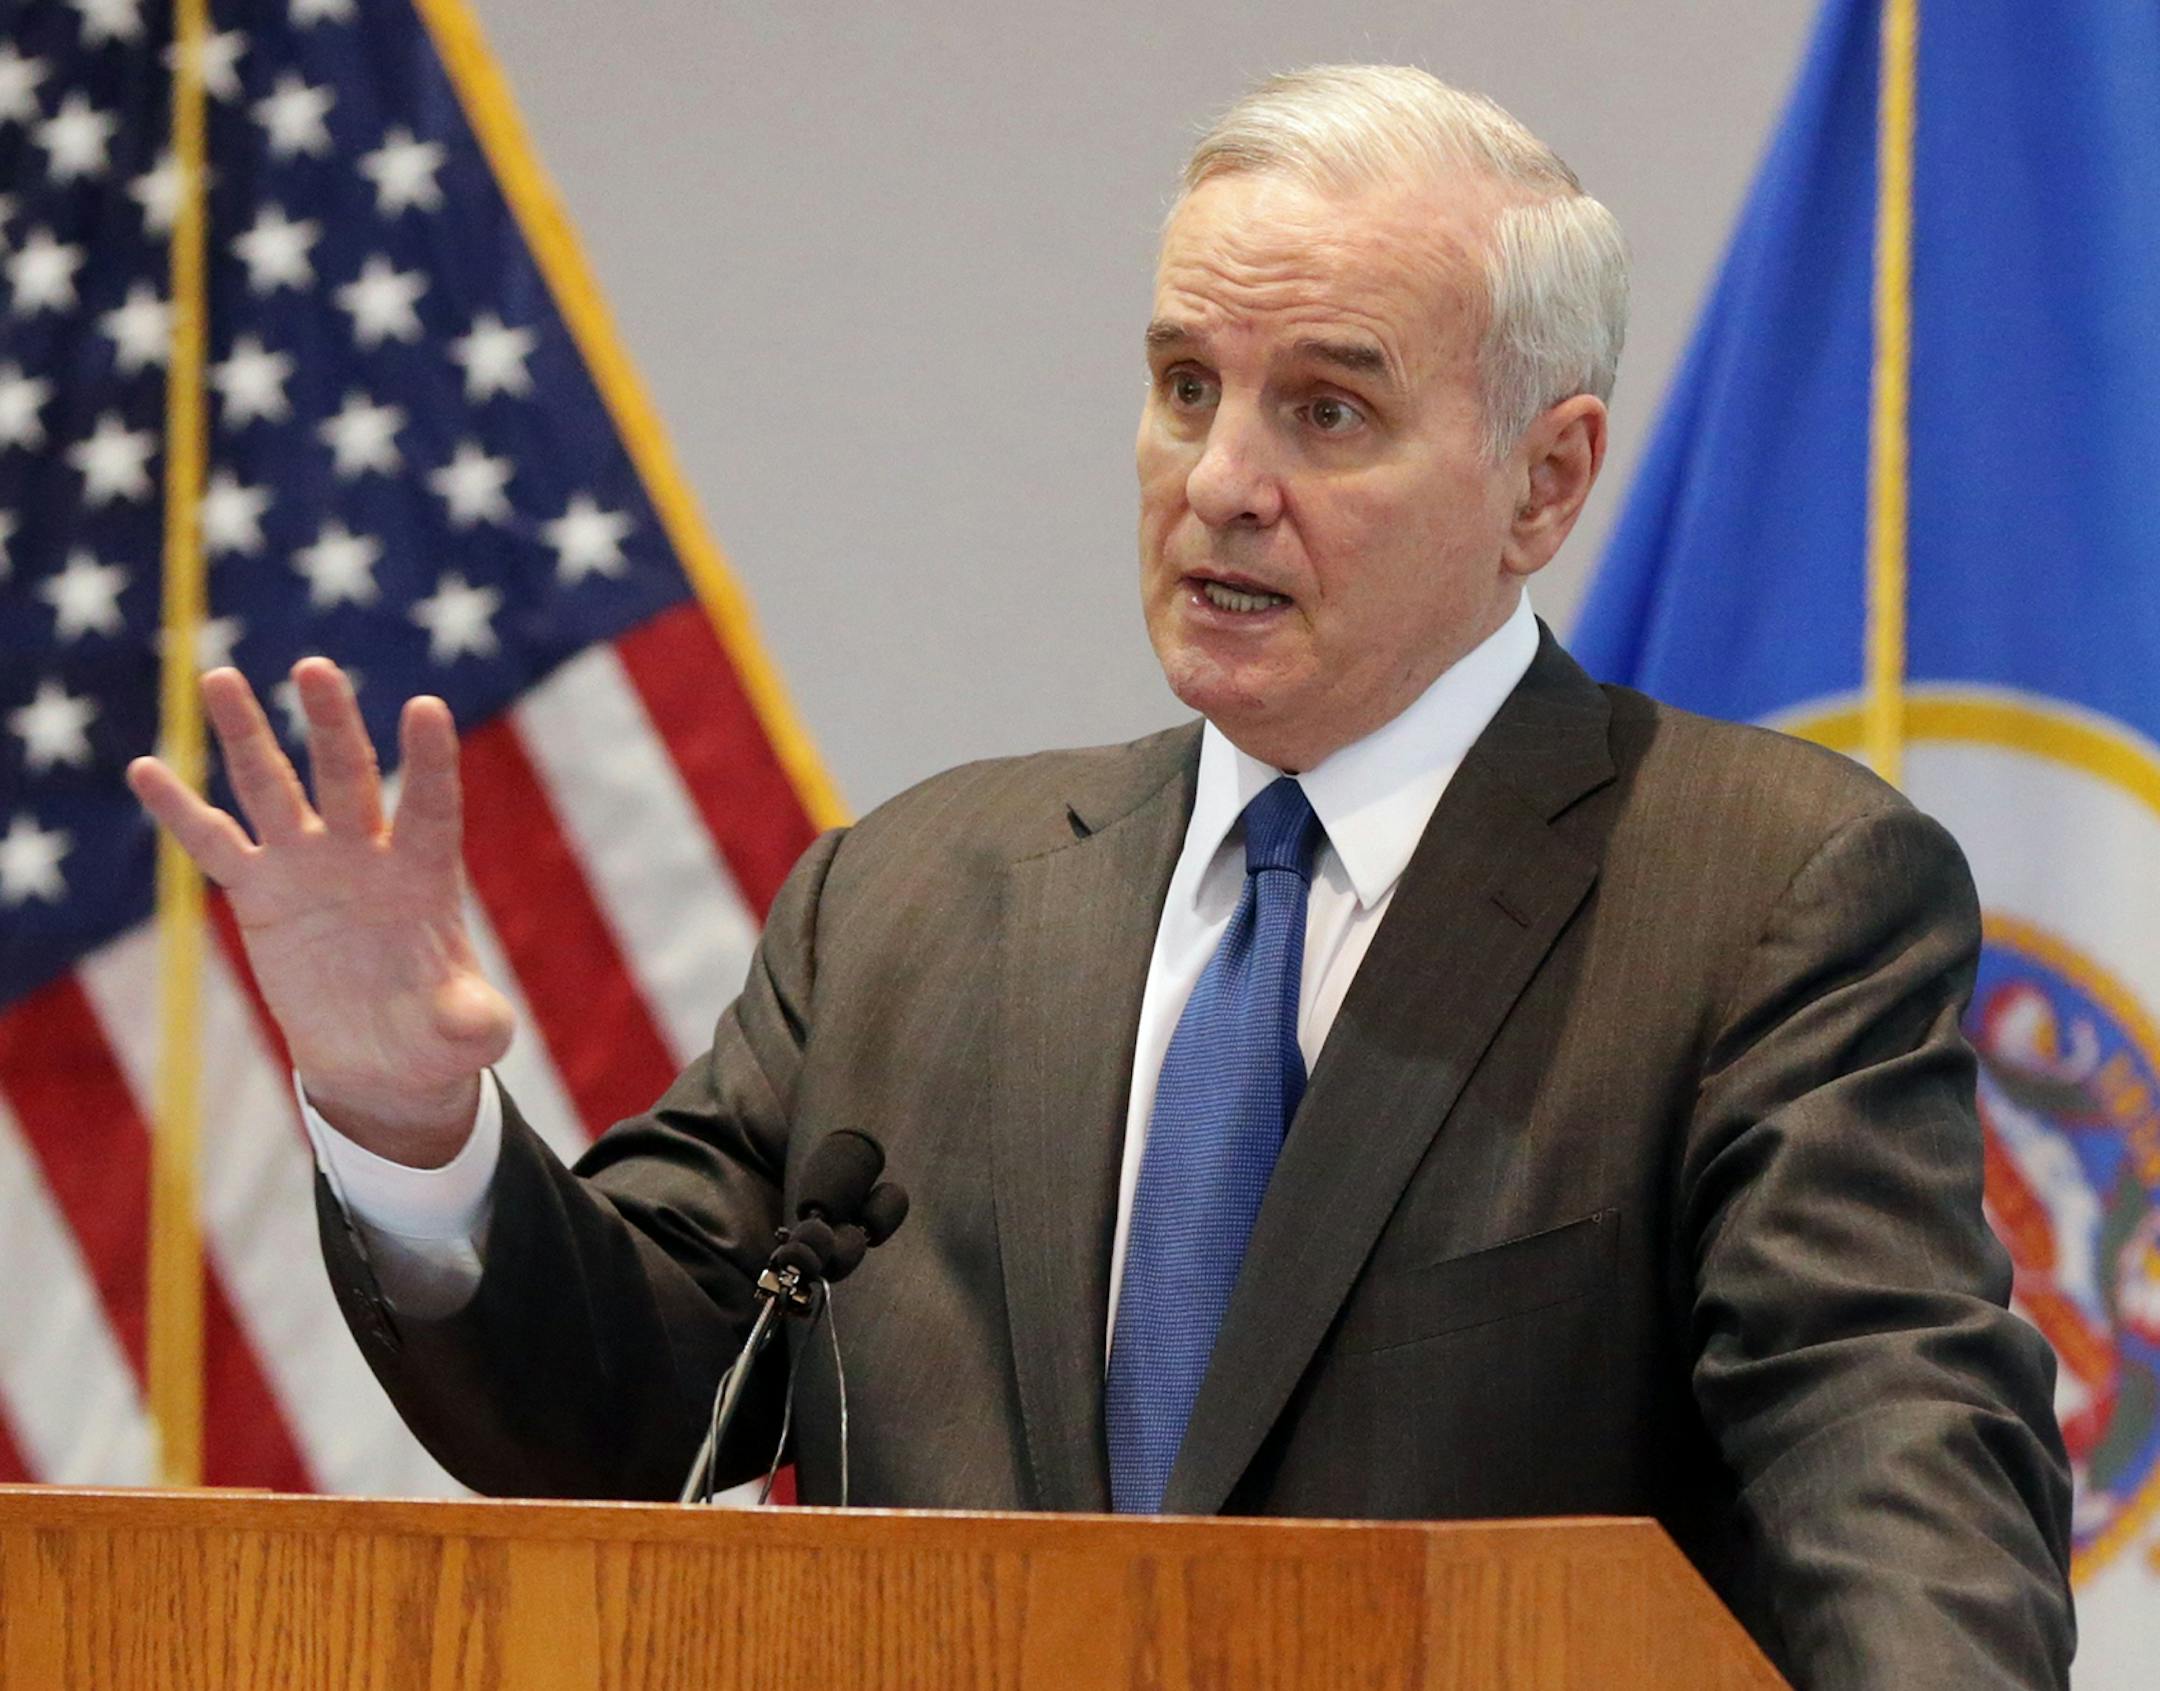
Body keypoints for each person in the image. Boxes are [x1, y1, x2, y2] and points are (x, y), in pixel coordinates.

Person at [129, 65, 2073, 1690]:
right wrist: (408, 1116)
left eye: (1327, 408)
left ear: (1545, 483)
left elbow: (1890, 1469)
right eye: (1181, 386)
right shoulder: (916, 897)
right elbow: (620, 1410)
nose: (1221, 477)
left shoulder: (1755, 892)